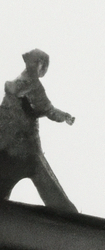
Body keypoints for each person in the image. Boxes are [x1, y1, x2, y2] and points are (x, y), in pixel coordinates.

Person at [0, 50, 76, 211]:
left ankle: (68, 215)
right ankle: (69, 216)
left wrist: (62, 115)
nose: (40, 68)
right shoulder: (32, 86)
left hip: (8, 145)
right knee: (43, 181)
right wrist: (64, 116)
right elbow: (48, 109)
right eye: (39, 64)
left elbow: (45, 109)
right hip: (21, 148)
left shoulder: (20, 83)